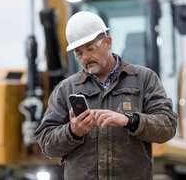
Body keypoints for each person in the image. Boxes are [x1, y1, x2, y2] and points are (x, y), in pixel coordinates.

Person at [34, 11, 177, 180]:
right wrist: (73, 131)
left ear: (108, 42)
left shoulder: (144, 79)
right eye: (78, 53)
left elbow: (168, 126)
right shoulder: (66, 89)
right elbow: (46, 143)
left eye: (90, 48)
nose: (86, 57)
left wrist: (129, 120)